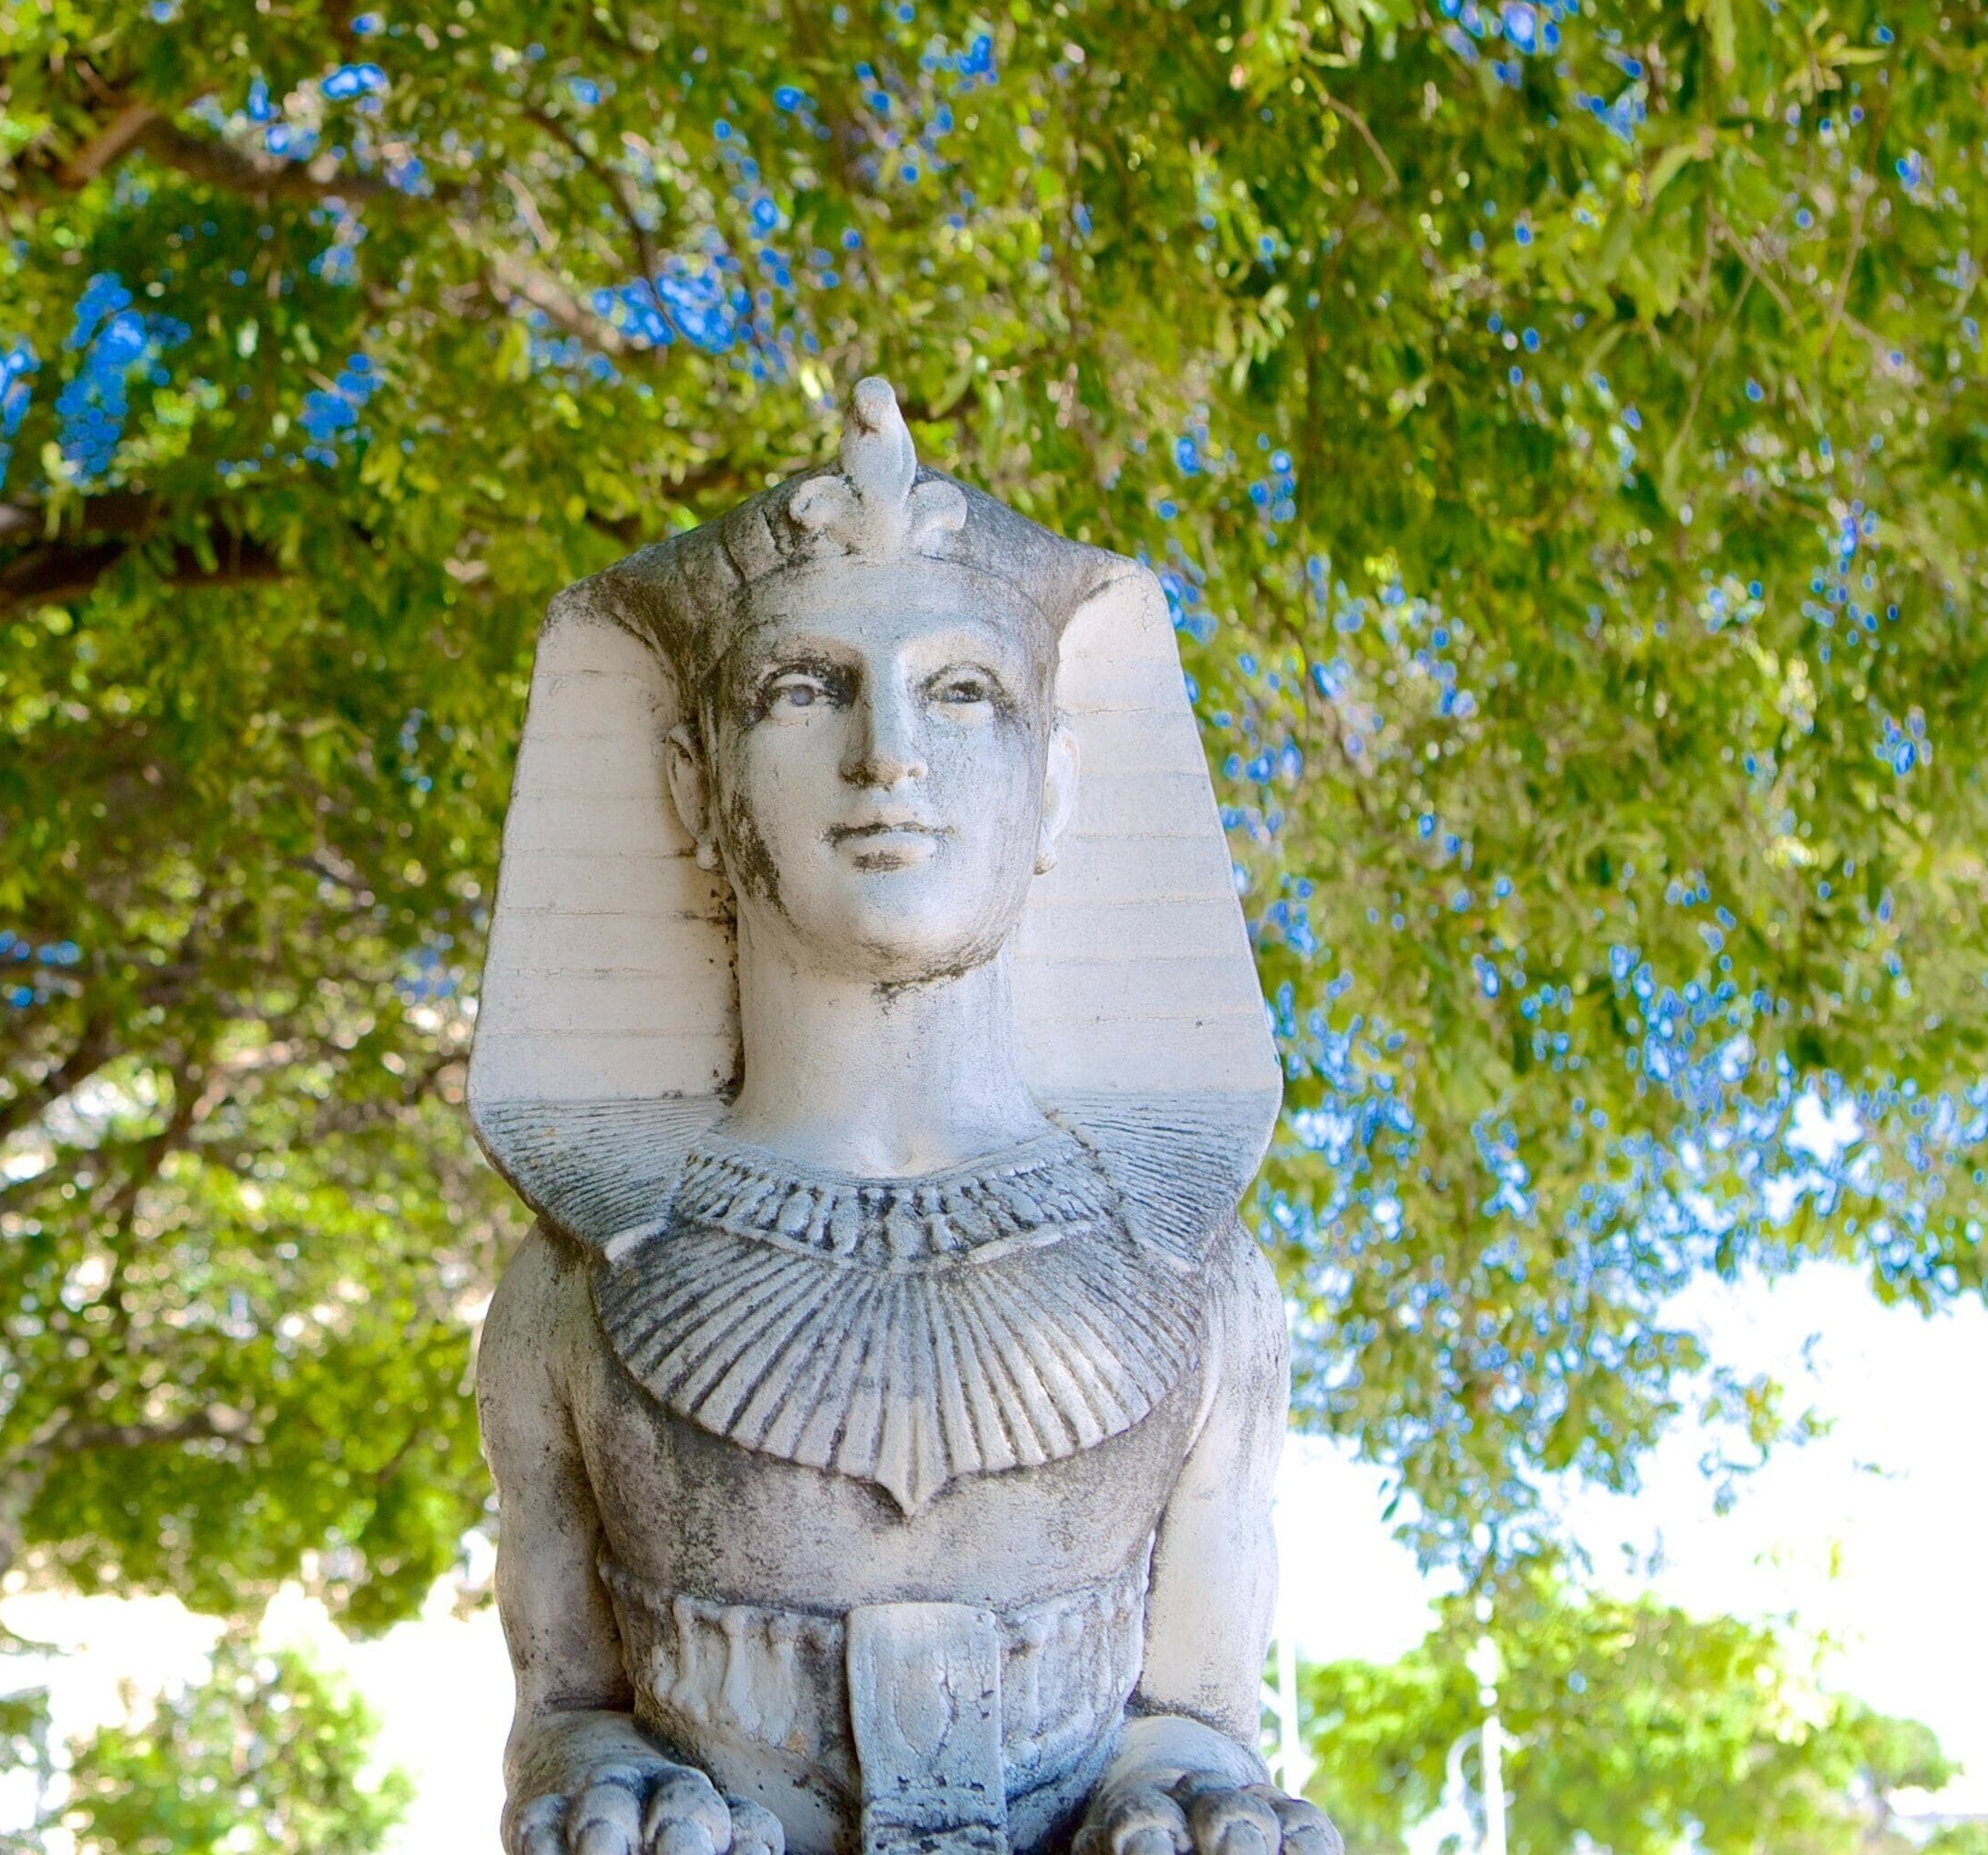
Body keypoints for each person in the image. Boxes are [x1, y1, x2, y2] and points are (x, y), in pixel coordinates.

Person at [471, 382, 1338, 1855]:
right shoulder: (569, 1289)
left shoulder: (1204, 1285)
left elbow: (1195, 1716)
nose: (890, 756)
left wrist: (1178, 1797)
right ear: (696, 786)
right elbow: (565, 1701)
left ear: (1055, 785)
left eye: (961, 691)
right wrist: (594, 1776)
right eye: (805, 687)